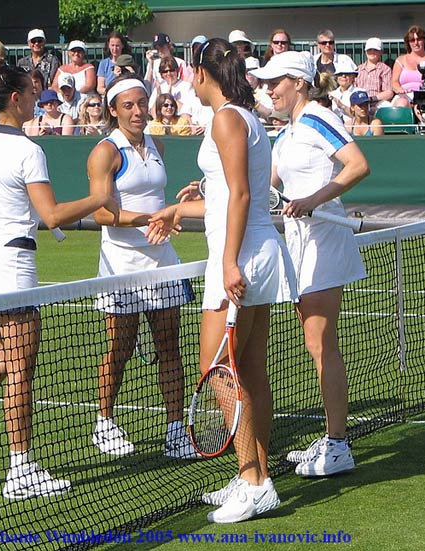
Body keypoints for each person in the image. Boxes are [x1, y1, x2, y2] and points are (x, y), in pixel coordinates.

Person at [0, 65, 118, 500]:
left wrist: (1, 202)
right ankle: (21, 469)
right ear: (15, 99)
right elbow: (51, 216)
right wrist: (99, 199)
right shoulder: (29, 152)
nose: (37, 98)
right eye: (32, 93)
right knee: (21, 369)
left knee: (3, 357)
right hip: (11, 264)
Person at [147, 38, 297, 523]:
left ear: (200, 74)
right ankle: (258, 477)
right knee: (249, 372)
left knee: (216, 371)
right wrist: (180, 206)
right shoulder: (242, 118)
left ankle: (253, 481)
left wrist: (229, 262)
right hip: (253, 254)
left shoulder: (227, 118)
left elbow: (242, 195)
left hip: (241, 260)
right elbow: (226, 194)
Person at [252, 50, 370, 477]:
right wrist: (210, 190)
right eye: (265, 84)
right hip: (300, 243)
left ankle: (338, 445)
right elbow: (267, 185)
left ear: (299, 83)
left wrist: (312, 201)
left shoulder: (319, 116)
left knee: (321, 342)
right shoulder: (287, 133)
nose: (268, 90)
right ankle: (331, 436)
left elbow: (358, 165)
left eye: (275, 82)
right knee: (314, 342)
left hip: (325, 239)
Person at [87, 73, 198, 460]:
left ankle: (175, 431)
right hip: (121, 263)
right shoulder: (106, 152)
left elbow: (158, 199)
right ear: (113, 110)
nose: (137, 112)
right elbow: (101, 212)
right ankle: (104, 423)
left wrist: (172, 211)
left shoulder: (158, 145)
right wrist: (151, 218)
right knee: (120, 346)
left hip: (162, 259)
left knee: (170, 345)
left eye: (141, 103)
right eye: (128, 105)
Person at [391, 25, 425, 107]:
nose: (416, 43)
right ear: (408, 42)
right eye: (412, 40)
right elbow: (394, 82)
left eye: (419, 39)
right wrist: (400, 90)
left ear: (424, 40)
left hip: (424, 98)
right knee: (402, 103)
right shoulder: (401, 60)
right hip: (403, 97)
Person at [355, 38, 394, 107]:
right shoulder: (358, 69)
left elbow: (389, 92)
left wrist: (371, 99)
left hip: (378, 103)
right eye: (369, 50)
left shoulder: (385, 69)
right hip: (359, 102)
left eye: (375, 50)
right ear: (365, 51)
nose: (372, 52)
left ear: (381, 52)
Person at [97, 31, 131, 96]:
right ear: (108, 45)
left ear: (122, 45)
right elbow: (100, 88)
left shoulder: (128, 62)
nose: (115, 49)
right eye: (112, 45)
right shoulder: (103, 64)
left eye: (117, 46)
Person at [328, 59, 359, 124]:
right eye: (340, 74)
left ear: (353, 77)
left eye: (347, 74)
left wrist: (342, 106)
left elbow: (360, 117)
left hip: (353, 128)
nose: (343, 76)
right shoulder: (331, 94)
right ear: (336, 77)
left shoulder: (359, 93)